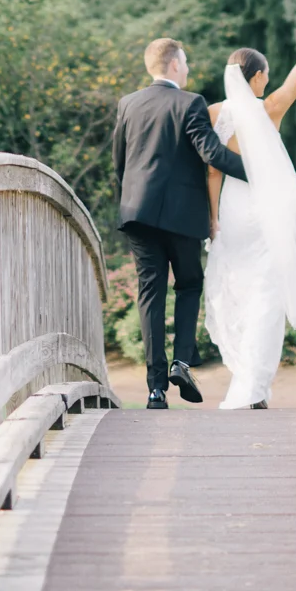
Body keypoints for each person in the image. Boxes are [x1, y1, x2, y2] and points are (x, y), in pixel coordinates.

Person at [202, 0, 296, 409]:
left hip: (232, 215)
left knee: (238, 290)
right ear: (254, 77)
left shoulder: (214, 113)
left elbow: (213, 173)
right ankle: (253, 387)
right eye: (265, 76)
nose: (268, 83)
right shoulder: (269, 109)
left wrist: (213, 219)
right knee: (268, 297)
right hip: (267, 212)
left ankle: (249, 383)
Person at [111, 37, 247, 410]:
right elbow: (212, 154)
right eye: (185, 63)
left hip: (137, 213)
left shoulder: (128, 103)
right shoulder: (191, 103)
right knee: (189, 285)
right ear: (173, 65)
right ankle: (181, 362)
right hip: (182, 216)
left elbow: (119, 164)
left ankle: (155, 390)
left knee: (150, 296)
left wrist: (131, 200)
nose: (187, 69)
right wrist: (256, 170)